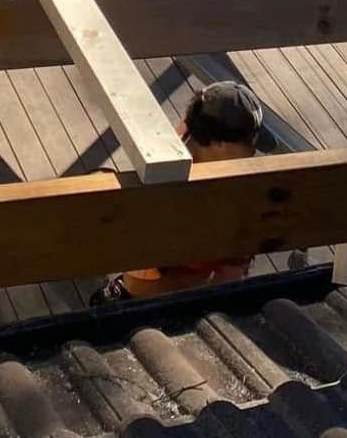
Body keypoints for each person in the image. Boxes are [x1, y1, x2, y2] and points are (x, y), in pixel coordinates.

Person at [90, 80, 265, 306]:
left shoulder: (190, 134)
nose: (254, 151)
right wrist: (214, 279)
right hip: (163, 304)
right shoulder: (167, 198)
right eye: (249, 142)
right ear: (219, 142)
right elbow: (137, 286)